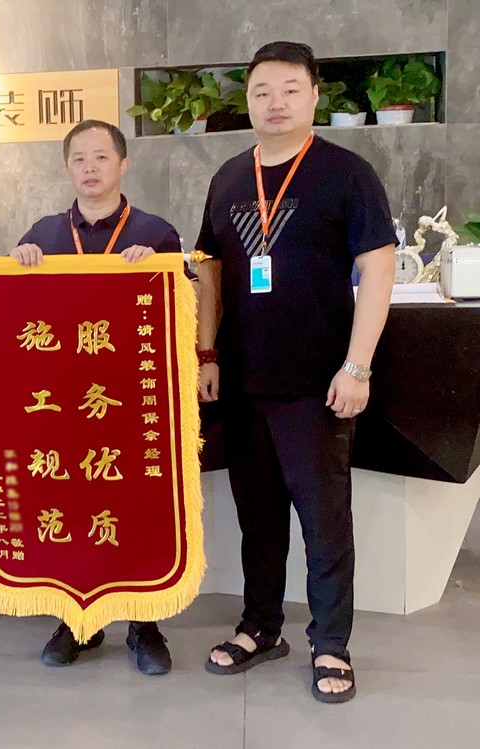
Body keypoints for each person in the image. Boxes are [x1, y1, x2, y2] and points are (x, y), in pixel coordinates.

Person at [195, 41, 396, 703]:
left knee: (323, 520)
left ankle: (331, 642)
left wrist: (357, 366)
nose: (275, 103)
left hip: (318, 382)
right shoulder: (229, 177)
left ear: (313, 95)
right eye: (261, 91)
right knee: (258, 516)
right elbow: (210, 271)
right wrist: (207, 354)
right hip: (243, 378)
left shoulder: (346, 173)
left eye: (289, 89)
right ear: (248, 102)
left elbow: (378, 270)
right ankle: (260, 626)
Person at [10, 119, 181, 675]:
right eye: (79, 158)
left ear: (123, 164)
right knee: (71, 505)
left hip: (129, 402)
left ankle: (144, 625)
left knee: (136, 509)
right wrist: (17, 268)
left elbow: (179, 312)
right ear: (67, 168)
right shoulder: (43, 234)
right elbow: (15, 316)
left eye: (101, 157)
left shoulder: (155, 233)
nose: (90, 168)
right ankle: (76, 621)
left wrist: (156, 273)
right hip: (63, 406)